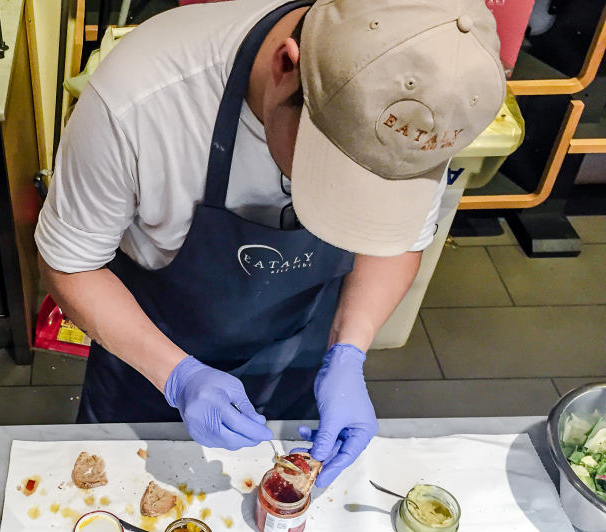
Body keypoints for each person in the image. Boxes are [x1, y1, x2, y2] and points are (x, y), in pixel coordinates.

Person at [35, 0, 505, 486]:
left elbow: (401, 243)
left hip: (294, 353)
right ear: (286, 66)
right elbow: (70, 263)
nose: (346, 202)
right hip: (147, 354)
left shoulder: (431, 115)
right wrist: (179, 376)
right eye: (329, 171)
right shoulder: (141, 100)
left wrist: (349, 348)